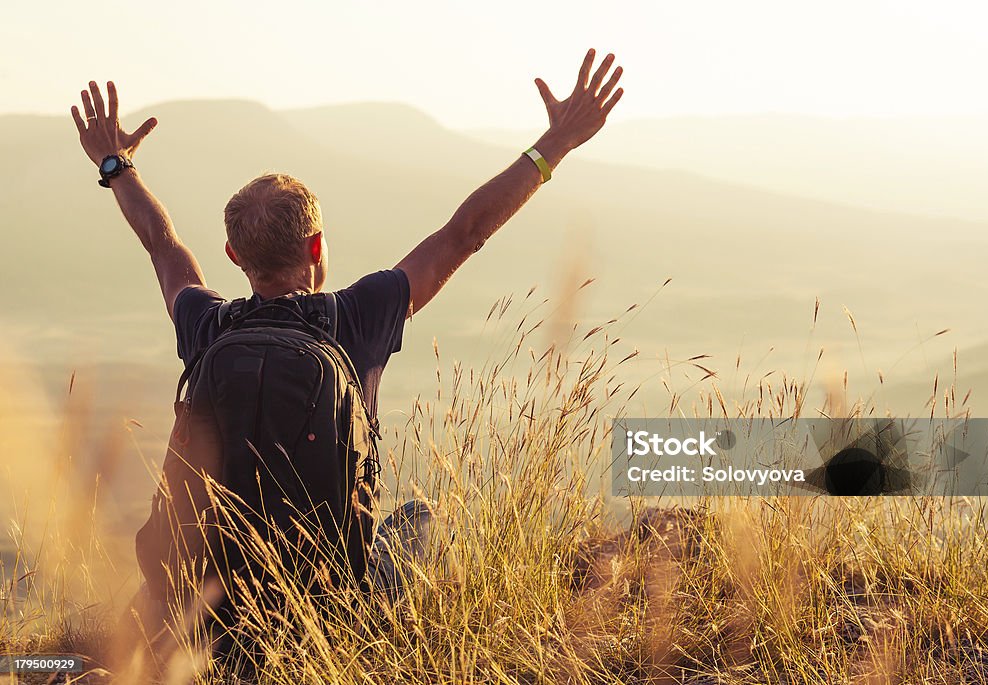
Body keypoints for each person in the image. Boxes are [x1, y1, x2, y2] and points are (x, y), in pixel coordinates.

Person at [70, 49, 624, 658]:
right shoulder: (359, 316)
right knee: (421, 520)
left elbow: (163, 245)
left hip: (207, 604)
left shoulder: (207, 326)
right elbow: (465, 231)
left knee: (145, 595)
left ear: (232, 257)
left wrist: (116, 166)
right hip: (330, 612)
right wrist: (555, 145)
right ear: (316, 247)